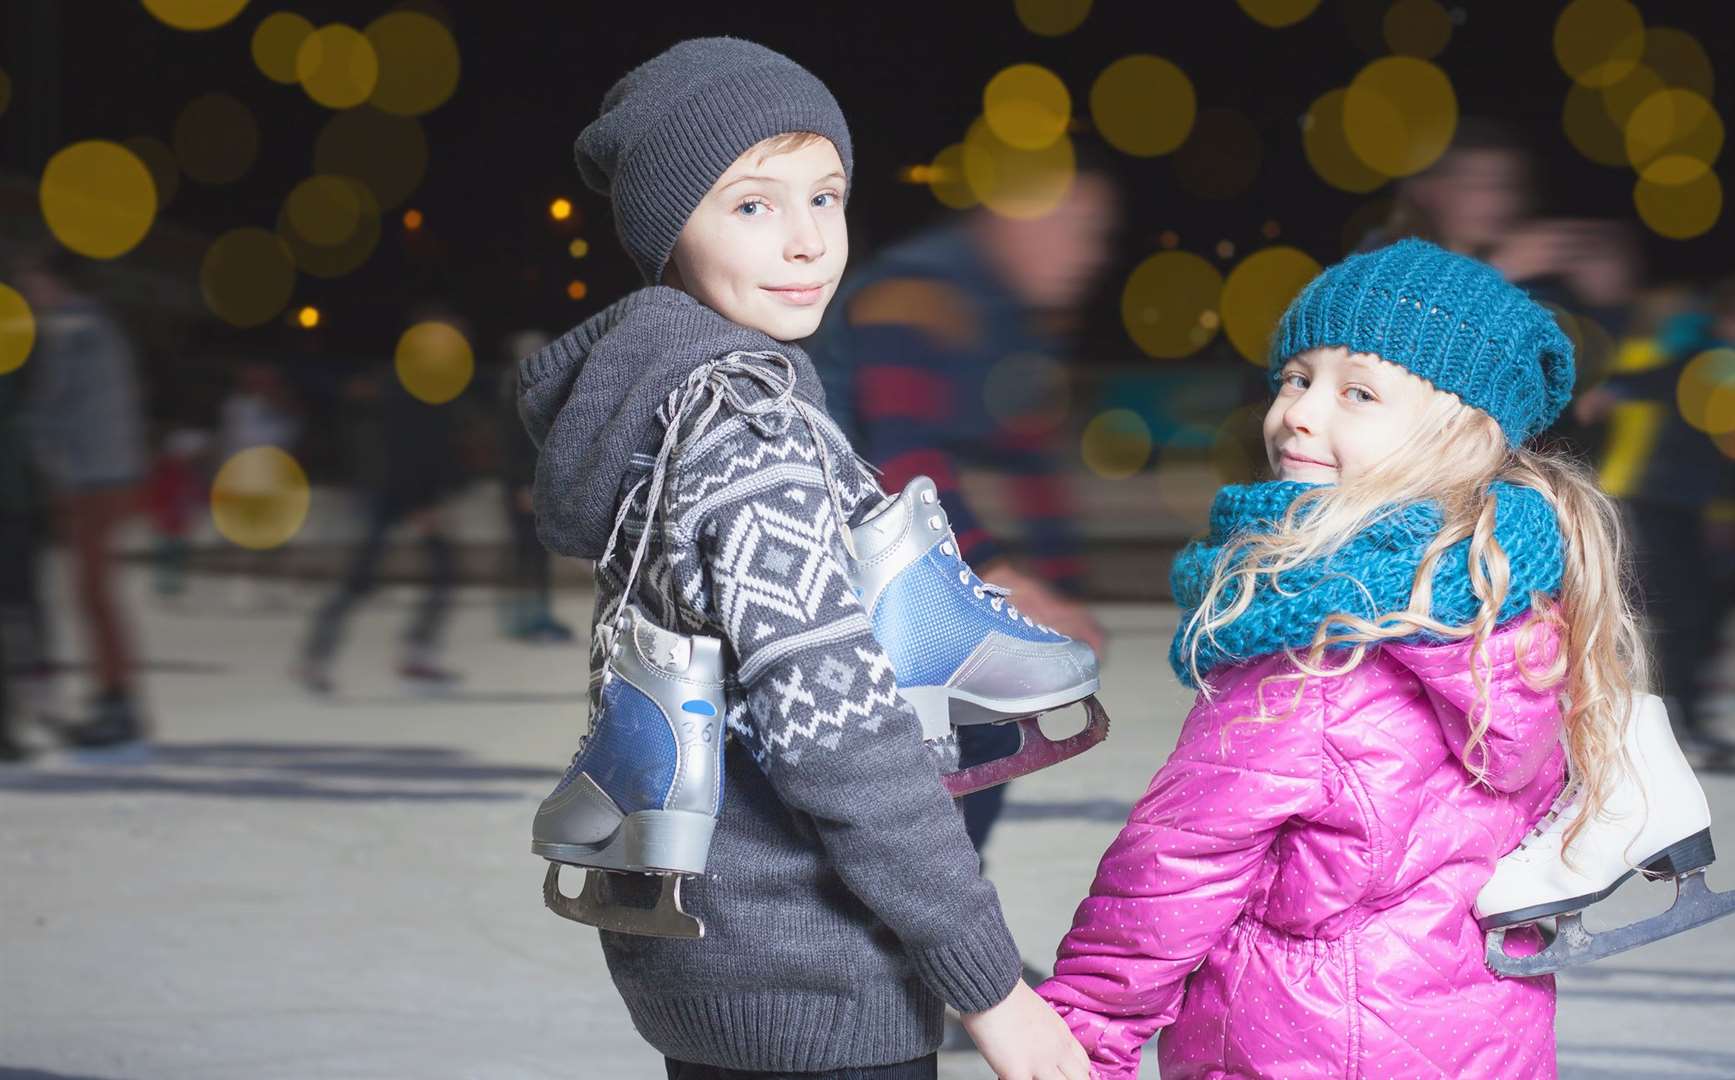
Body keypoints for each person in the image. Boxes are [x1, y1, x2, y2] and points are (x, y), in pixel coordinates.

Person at [517, 37, 1090, 1080]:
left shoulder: (668, 406)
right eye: (751, 205)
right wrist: (994, 989)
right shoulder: (752, 431)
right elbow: (841, 739)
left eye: (823, 197)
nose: (805, 242)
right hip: (818, 977)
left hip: (713, 964)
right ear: (667, 229)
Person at [994, 240, 1654, 1077]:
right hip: (1478, 1039)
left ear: (1461, 435)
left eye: (1358, 392)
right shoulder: (1511, 611)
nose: (1300, 413)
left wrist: (1084, 1032)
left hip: (1296, 1042)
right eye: (1296, 378)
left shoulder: (1316, 647)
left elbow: (1180, 863)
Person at [808, 163, 1116, 859]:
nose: (1088, 254)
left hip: (917, 562)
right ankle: (915, 946)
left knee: (990, 737)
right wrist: (1008, 578)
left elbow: (1031, 460)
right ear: (1009, 216)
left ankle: (944, 941)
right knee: (920, 764)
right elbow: (902, 457)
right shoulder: (918, 294)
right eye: (1071, 230)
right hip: (844, 560)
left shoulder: (1009, 319)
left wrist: (1063, 594)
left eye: (1096, 235)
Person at [15, 249, 150, 750]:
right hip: (109, 475)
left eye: (34, 283)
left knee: (93, 595)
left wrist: (23, 436)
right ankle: (115, 699)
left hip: (95, 479)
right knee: (95, 594)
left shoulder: (71, 333)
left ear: (55, 282)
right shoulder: (101, 329)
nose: (30, 295)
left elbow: (51, 412)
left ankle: (118, 705)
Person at [297, 318, 470, 695]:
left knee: (442, 574)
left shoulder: (432, 388)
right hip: (395, 496)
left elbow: (437, 450)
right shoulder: (408, 389)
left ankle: (417, 653)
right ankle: (317, 657)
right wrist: (419, 503)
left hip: (413, 496)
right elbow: (402, 450)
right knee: (363, 579)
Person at [495, 330, 572, 642]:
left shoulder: (530, 389)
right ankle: (528, 620)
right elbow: (516, 446)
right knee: (529, 554)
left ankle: (536, 616)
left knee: (536, 554)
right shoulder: (518, 392)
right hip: (523, 486)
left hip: (531, 484)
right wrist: (522, 486)